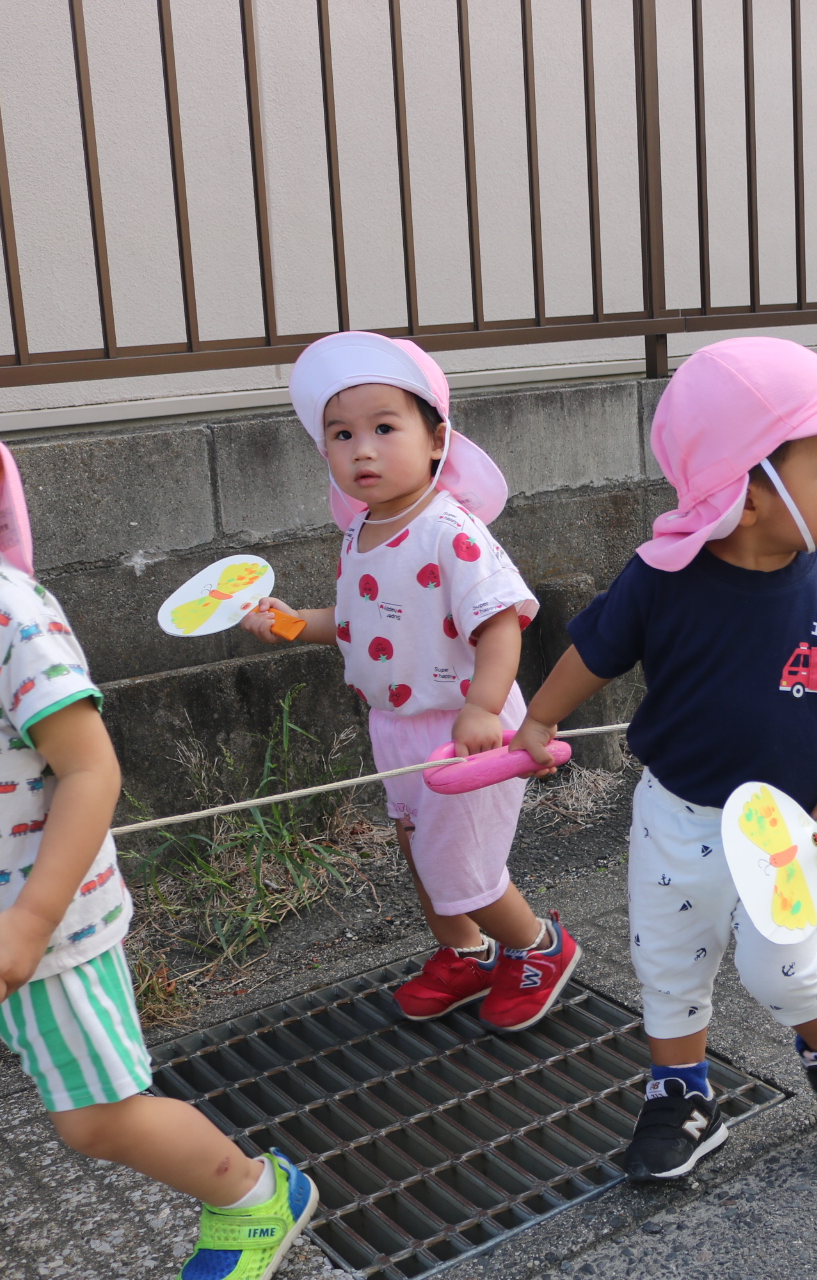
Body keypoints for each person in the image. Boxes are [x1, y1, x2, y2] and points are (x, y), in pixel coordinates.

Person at [0, 293, 314, 1280]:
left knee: (96, 1119)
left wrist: (30, 919)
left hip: (44, 931)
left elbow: (91, 768)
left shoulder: (2, 613)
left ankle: (255, 1196)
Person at [506, 337, 817, 1180]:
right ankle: (681, 1091)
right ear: (750, 494)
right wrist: (539, 718)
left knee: (781, 968)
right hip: (675, 813)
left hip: (784, 831)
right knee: (668, 961)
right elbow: (595, 653)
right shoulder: (663, 577)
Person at [242, 332, 578, 1030]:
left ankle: (539, 947)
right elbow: (358, 619)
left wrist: (484, 707)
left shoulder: (451, 530)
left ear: (437, 441)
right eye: (342, 434)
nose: (362, 450)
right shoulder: (361, 530)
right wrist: (293, 623)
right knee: (419, 852)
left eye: (384, 428)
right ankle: (469, 954)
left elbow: (500, 623)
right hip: (394, 726)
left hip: (464, 728)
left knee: (463, 870)